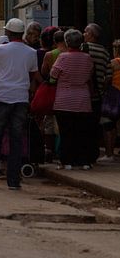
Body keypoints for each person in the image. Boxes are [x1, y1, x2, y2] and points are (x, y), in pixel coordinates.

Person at [0, 19, 42, 190]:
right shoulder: (30, 52)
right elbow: (33, 74)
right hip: (20, 99)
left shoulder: (1, 49)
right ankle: (13, 181)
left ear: (8, 33)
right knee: (16, 140)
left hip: (1, 97)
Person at [51, 29, 95, 170]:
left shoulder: (63, 57)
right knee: (82, 132)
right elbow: (90, 75)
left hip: (64, 100)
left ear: (67, 42)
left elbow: (53, 75)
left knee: (66, 133)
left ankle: (67, 161)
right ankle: (83, 161)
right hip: (83, 100)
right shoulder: (87, 58)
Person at [83, 23, 111, 164]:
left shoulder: (83, 49)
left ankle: (83, 154)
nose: (83, 34)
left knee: (83, 126)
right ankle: (92, 155)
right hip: (97, 96)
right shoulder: (105, 52)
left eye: (85, 32)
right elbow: (108, 76)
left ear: (91, 35)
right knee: (94, 127)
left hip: (83, 95)